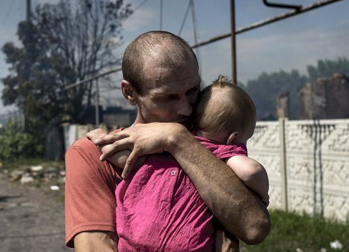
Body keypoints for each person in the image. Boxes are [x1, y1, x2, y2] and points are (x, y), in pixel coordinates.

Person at [64, 31, 271, 251]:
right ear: (130, 93)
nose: (186, 108)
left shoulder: (205, 144)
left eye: (192, 91)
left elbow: (255, 227)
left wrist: (177, 139)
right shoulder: (91, 155)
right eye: (167, 98)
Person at [113, 75, 269, 252]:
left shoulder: (166, 145)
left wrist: (102, 139)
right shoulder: (226, 153)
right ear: (233, 138)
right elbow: (251, 171)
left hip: (134, 238)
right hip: (185, 245)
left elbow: (129, 158)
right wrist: (262, 195)